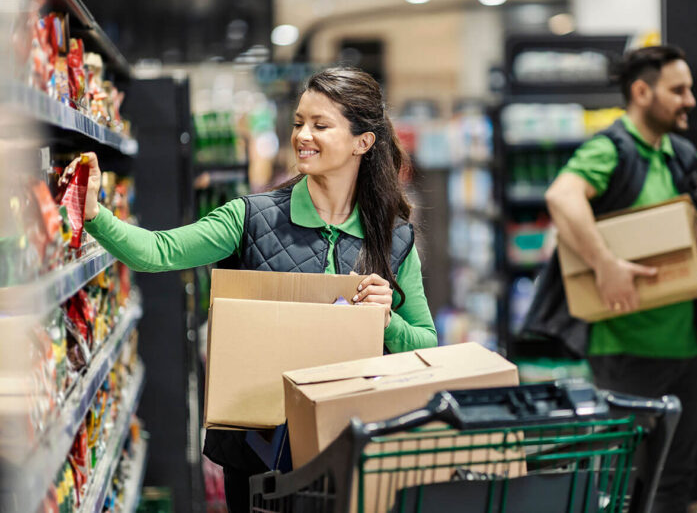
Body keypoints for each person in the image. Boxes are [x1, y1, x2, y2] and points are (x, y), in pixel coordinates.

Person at [68, 67, 438, 513]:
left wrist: (387, 321)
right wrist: (94, 214)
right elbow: (159, 251)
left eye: (321, 126)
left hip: (351, 444)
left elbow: (426, 344)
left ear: (363, 142)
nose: (303, 135)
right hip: (259, 452)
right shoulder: (251, 218)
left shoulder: (393, 238)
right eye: (300, 122)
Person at [538, 45, 697, 513]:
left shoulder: (679, 155)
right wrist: (605, 264)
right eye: (678, 90)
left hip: (686, 351)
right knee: (631, 481)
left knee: (674, 480)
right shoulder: (611, 150)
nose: (690, 100)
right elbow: (562, 196)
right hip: (626, 349)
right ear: (642, 92)